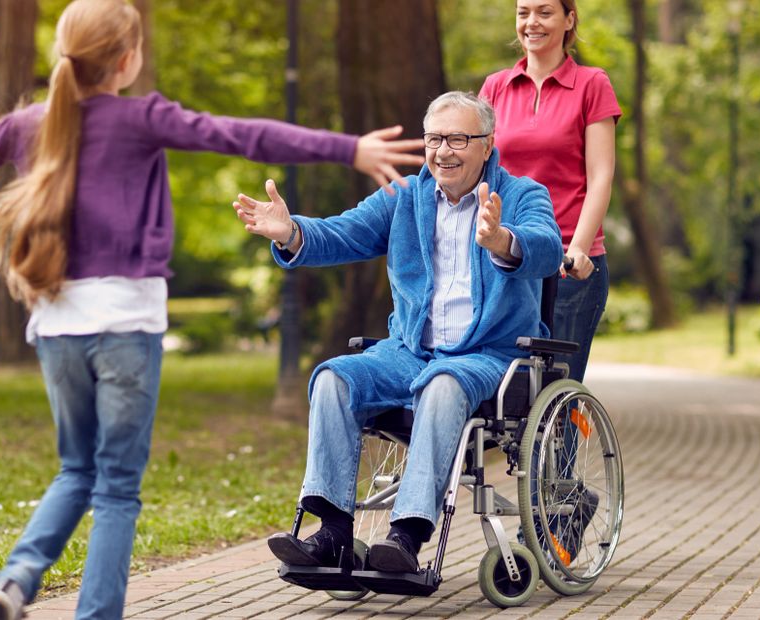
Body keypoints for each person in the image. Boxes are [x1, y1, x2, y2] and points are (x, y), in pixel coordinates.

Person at [0, 1, 423, 617]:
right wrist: (349, 149)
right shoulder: (144, 117)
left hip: (58, 328)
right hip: (126, 325)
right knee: (117, 488)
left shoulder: (28, 125)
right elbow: (244, 134)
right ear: (127, 60)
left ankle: (17, 580)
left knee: (76, 470)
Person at [233, 92, 561, 573]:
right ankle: (332, 533)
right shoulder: (404, 196)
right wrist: (289, 233)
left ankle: (405, 538)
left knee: (443, 383)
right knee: (334, 378)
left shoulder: (520, 194)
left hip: (487, 356)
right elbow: (342, 233)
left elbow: (548, 247)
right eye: (434, 139)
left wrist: (501, 240)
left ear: (487, 145)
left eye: (457, 139)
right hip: (408, 351)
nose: (443, 151)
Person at [479, 0, 621, 383]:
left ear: (569, 19)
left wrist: (579, 246)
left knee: (556, 391)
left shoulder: (592, 84)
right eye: (523, 12)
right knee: (504, 392)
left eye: (544, 12)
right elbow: (480, 169)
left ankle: (563, 443)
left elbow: (601, 175)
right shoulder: (495, 87)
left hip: (569, 265)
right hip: (508, 258)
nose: (531, 22)